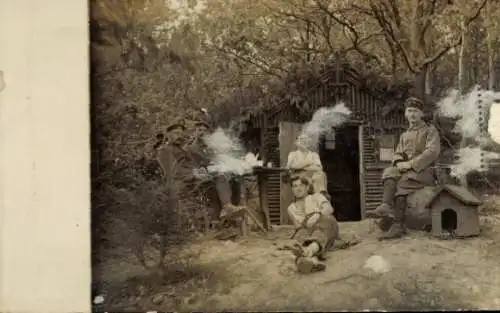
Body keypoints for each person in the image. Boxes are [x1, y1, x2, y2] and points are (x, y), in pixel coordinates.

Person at [369, 97, 441, 240]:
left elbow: (432, 152)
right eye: (409, 111)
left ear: (421, 114)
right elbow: (397, 153)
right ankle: (386, 206)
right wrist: (400, 162)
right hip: (407, 170)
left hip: (424, 171)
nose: (412, 114)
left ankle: (397, 226)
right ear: (405, 114)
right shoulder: (404, 135)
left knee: (402, 183)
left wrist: (411, 164)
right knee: (389, 172)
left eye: (416, 111)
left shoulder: (430, 131)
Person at [286, 176, 339, 274]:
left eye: (301, 185)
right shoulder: (291, 208)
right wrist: (304, 225)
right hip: (309, 229)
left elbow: (329, 209)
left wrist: (317, 214)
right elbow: (298, 227)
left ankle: (308, 251)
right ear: (292, 190)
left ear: (307, 187)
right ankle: (312, 261)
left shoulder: (317, 197)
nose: (298, 188)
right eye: (295, 186)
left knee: (325, 222)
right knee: (300, 234)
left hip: (326, 225)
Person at [287, 134, 329, 199]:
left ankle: (321, 194)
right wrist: (308, 162)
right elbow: (290, 166)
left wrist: (302, 166)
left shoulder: (314, 155)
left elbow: (319, 168)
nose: (304, 142)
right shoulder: (293, 154)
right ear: (297, 142)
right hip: (298, 177)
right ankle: (318, 197)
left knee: (320, 174)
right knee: (311, 180)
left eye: (306, 140)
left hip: (312, 176)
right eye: (301, 140)